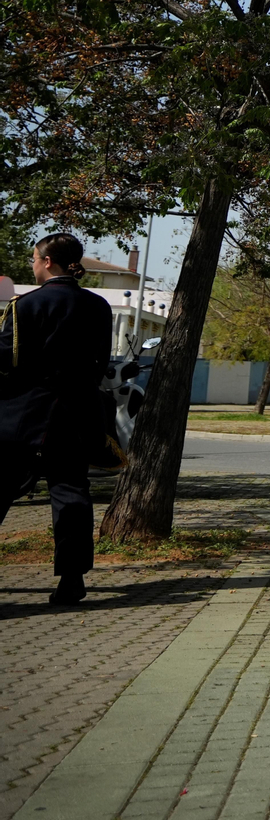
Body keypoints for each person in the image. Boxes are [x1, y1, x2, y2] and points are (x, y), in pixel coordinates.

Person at [0, 233, 114, 605]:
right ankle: (72, 579)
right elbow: (100, 363)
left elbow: (6, 361)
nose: (32, 265)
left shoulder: (26, 305)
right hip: (76, 418)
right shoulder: (98, 306)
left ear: (47, 262)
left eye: (34, 258)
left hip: (25, 419)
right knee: (70, 496)